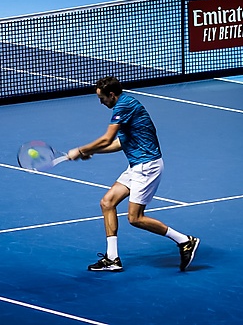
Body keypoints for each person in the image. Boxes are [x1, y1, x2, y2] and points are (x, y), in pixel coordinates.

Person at [67, 76, 199, 272]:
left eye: (102, 98)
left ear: (112, 95)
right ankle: (112, 258)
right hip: (137, 166)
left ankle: (184, 241)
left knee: (135, 218)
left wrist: (80, 149)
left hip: (146, 167)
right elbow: (120, 143)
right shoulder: (125, 104)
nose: (101, 102)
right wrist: (91, 151)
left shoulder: (123, 107)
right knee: (107, 202)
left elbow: (107, 139)